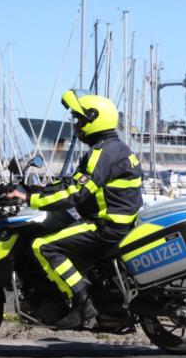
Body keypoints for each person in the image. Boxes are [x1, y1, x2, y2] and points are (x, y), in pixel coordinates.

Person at [8, 90, 143, 329]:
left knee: (43, 246)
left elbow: (76, 193)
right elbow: (74, 182)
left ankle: (82, 303)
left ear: (94, 119)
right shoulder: (114, 148)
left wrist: (29, 199)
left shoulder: (102, 153)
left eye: (80, 120)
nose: (76, 126)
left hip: (105, 226)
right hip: (117, 223)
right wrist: (40, 189)